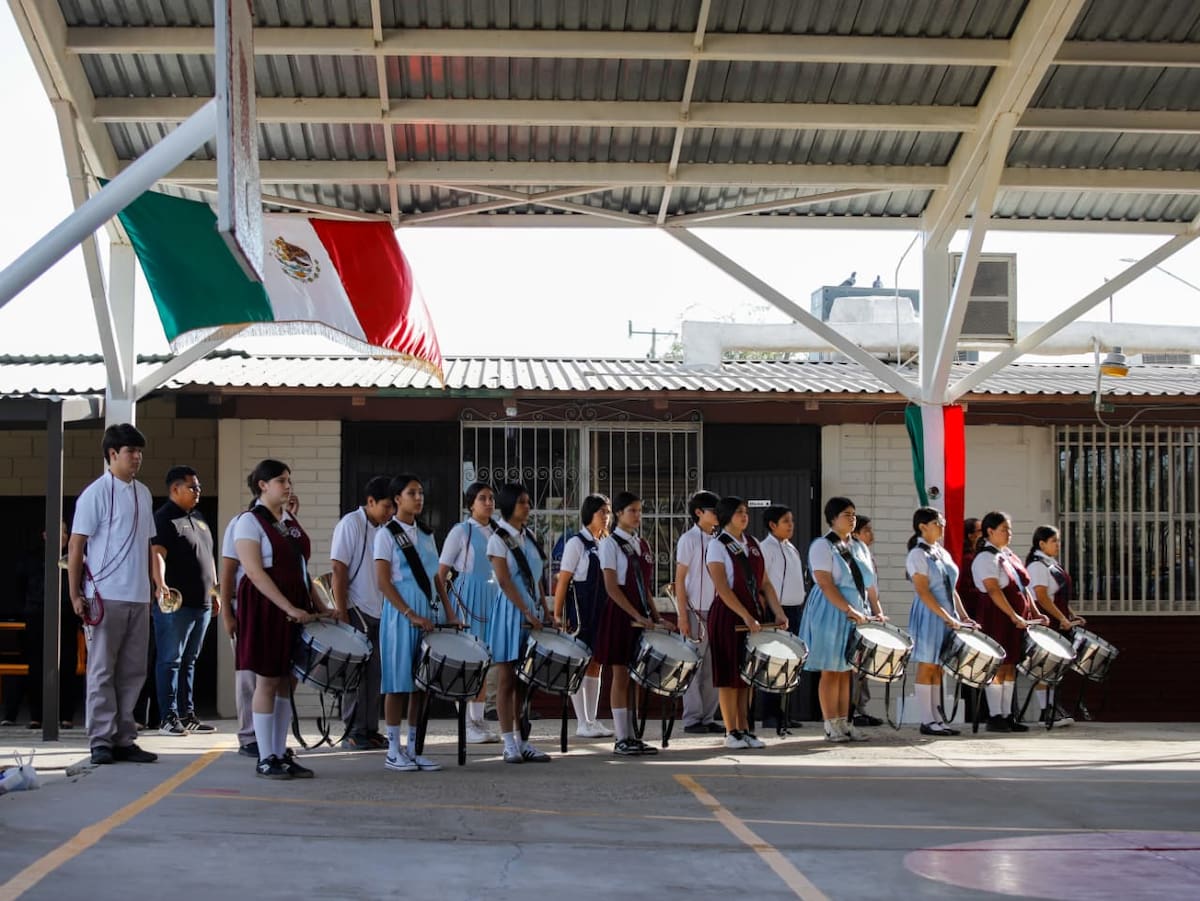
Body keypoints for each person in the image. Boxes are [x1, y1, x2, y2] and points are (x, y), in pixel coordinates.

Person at [68, 423, 164, 765]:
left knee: (133, 670)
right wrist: (75, 593)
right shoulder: (95, 493)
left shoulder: (144, 493)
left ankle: (124, 737)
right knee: (102, 670)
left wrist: (157, 583)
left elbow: (150, 545)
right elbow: (77, 545)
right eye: (130, 451)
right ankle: (101, 739)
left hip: (138, 595)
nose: (136, 457)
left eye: (139, 451)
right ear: (112, 454)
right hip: (103, 594)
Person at [234, 459, 321, 779]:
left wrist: (319, 605)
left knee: (289, 679)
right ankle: (265, 755)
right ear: (262, 485)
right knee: (268, 679)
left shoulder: (287, 519)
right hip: (267, 607)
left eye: (288, 480)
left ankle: (281, 751)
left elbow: (300, 568)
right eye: (281, 480)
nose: (287, 486)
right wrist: (288, 607)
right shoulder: (249, 522)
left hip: (294, 606)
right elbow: (254, 573)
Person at [375, 473, 458, 773]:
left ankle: (413, 748)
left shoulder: (426, 534)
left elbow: (438, 578)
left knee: (422, 684)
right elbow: (383, 583)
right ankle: (393, 749)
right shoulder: (386, 535)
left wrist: (449, 613)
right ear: (397, 498)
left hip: (430, 612)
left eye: (421, 492)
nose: (419, 498)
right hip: (402, 615)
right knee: (397, 682)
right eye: (412, 493)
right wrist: (410, 613)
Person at [706, 496, 788, 750]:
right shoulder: (717, 545)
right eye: (739, 512)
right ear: (726, 515)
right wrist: (745, 615)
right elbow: (722, 587)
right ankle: (732, 731)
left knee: (747, 677)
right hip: (728, 616)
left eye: (746, 512)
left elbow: (764, 583)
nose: (744, 516)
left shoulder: (752, 543)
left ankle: (746, 728)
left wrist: (778, 612)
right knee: (730, 677)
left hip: (752, 616)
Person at [798, 496, 882, 743]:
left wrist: (876, 609)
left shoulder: (859, 546)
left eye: (854, 513)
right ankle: (830, 723)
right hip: (831, 611)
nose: (852, 518)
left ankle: (846, 722)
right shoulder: (822, 546)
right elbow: (824, 583)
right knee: (830, 669)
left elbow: (870, 583)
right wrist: (847, 609)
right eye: (846, 514)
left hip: (857, 610)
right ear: (833, 518)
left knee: (847, 670)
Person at [485, 482, 552, 764]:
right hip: (511, 613)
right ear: (510, 504)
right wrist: (525, 610)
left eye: (528, 501)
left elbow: (536, 577)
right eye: (523, 501)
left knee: (526, 681)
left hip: (533, 611)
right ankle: (508, 742)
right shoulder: (498, 538)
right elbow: (504, 580)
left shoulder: (529, 536)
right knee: (507, 679)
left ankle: (524, 740)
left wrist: (545, 609)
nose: (528, 506)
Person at [595, 491, 665, 757]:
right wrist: (635, 615)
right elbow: (612, 587)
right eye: (631, 511)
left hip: (642, 616)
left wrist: (657, 617)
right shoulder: (610, 544)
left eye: (639, 510)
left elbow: (645, 588)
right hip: (621, 615)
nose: (637, 515)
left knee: (637, 677)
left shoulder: (642, 544)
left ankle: (634, 735)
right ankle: (621, 736)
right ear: (619, 514)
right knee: (621, 676)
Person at [330, 475, 395, 750]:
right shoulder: (351, 524)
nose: (390, 512)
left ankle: (369, 729)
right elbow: (338, 569)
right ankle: (352, 731)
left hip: (381, 611)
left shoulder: (386, 529)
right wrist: (342, 611)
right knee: (356, 676)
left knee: (375, 675)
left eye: (393, 506)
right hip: (356, 609)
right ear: (370, 502)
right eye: (386, 506)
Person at [151, 465, 217, 736]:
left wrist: (215, 591)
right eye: (192, 487)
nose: (198, 492)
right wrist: (160, 583)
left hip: (202, 602)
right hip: (176, 603)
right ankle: (168, 718)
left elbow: (209, 556)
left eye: (199, 487)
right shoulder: (164, 518)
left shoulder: (199, 518)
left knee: (189, 660)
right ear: (175, 489)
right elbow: (157, 553)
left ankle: (187, 715)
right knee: (171, 660)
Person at [971, 511, 1048, 733]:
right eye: (1004, 529)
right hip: (997, 615)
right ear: (990, 531)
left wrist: (1033, 612)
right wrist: (1013, 615)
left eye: (1009, 529)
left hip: (1016, 618)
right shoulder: (986, 558)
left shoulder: (1008, 555)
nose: (1009, 533)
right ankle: (995, 715)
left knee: (1010, 664)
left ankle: (1007, 714)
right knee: (997, 665)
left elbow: (1022, 589)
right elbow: (994, 590)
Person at [437, 481, 502, 744]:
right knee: (468, 663)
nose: (488, 503)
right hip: (468, 600)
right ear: (470, 504)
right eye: (482, 498)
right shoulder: (460, 531)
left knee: (485, 664)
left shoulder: (498, 532)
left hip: (492, 598)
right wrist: (447, 608)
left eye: (491, 498)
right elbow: (441, 574)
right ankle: (466, 723)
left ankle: (479, 721)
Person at [905, 507, 977, 736]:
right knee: (927, 664)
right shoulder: (917, 554)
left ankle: (937, 717)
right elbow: (924, 592)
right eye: (938, 522)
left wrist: (963, 616)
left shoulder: (941, 552)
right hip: (930, 613)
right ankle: (927, 720)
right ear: (922, 526)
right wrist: (945, 616)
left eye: (942, 522)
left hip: (947, 615)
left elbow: (951, 589)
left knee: (939, 666)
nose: (942, 526)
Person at [551, 493, 615, 739]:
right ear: (590, 514)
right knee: (579, 662)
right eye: (602, 513)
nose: (606, 517)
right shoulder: (576, 543)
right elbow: (564, 580)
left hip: (601, 611)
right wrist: (558, 614)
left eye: (608, 512)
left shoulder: (605, 543)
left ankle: (593, 719)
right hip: (580, 612)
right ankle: (581, 721)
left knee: (596, 664)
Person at [6, 523, 81, 729]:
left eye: (66, 532)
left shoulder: (75, 556)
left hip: (66, 615)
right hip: (37, 614)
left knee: (67, 664)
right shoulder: (31, 558)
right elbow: (20, 586)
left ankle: (66, 716)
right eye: (59, 531)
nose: (63, 536)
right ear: (45, 534)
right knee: (36, 665)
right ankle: (36, 716)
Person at [673, 490, 722, 735]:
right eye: (713, 510)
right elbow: (679, 580)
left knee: (713, 666)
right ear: (699, 513)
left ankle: (708, 715)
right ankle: (692, 718)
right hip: (694, 610)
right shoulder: (688, 540)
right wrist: (682, 615)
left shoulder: (719, 540)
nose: (718, 515)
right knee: (693, 665)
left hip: (716, 611)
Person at [1026, 525, 1083, 726]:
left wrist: (1072, 615)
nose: (1057, 545)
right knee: (1046, 668)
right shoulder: (1037, 566)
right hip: (1048, 622)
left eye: (1058, 540)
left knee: (1056, 669)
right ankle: (1045, 711)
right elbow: (1041, 597)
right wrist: (1061, 618)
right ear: (1041, 544)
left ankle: (1053, 706)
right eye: (1053, 541)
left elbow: (1058, 595)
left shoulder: (1051, 564)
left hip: (1058, 621)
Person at [758, 504, 807, 731]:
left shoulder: (791, 548)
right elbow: (762, 581)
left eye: (792, 521)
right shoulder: (765, 548)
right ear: (772, 525)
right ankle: (770, 714)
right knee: (773, 661)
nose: (791, 525)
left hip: (795, 610)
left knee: (790, 662)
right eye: (786, 521)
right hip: (776, 611)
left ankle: (784, 712)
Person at [848, 514, 883, 727]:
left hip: (870, 611)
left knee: (865, 665)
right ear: (855, 534)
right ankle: (850, 709)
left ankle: (860, 707)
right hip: (857, 612)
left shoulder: (867, 555)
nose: (871, 534)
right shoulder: (852, 556)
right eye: (866, 530)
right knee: (855, 664)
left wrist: (877, 610)